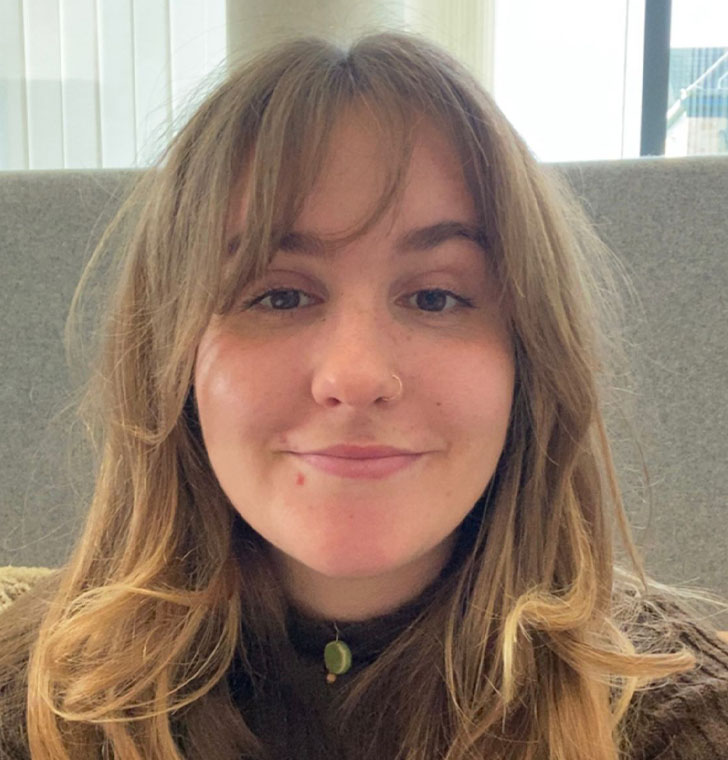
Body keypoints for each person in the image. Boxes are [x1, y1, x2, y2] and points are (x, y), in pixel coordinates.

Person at [1, 30, 727, 760]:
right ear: (171, 358)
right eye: (280, 295)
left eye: (436, 297)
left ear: (530, 356)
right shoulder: (35, 706)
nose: (355, 376)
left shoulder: (682, 718)